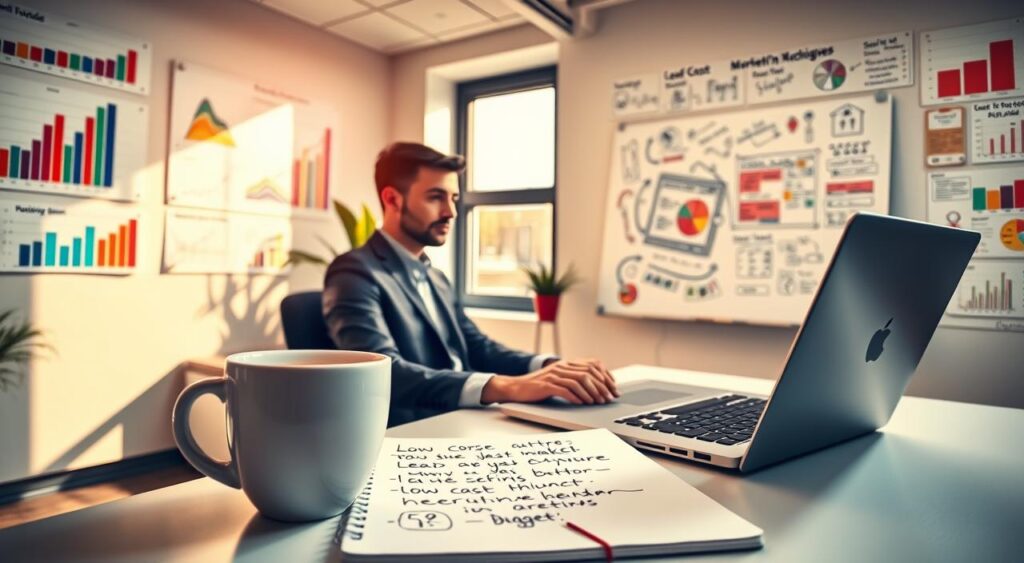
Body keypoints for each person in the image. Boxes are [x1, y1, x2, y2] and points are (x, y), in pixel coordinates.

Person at [323, 142, 618, 426]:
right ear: (392, 199)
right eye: (435, 197)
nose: (450, 212)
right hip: (415, 433)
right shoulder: (353, 272)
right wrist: (509, 387)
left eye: (453, 198)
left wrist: (550, 367)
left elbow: (478, 348)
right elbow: (385, 372)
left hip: (464, 420)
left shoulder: (435, 277)